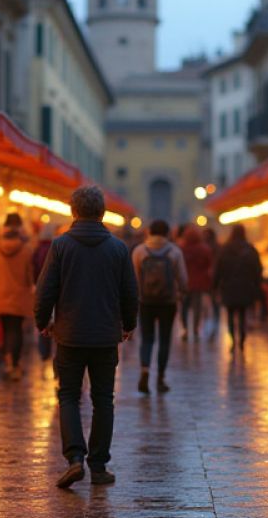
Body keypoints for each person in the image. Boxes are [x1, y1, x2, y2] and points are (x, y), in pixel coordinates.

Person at [35, 186, 139, 489]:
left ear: (73, 212)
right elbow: (130, 293)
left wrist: (44, 321)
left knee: (68, 395)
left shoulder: (60, 246)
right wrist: (128, 324)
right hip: (106, 336)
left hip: (69, 335)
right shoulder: (119, 249)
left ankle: (75, 459)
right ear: (102, 213)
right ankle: (99, 465)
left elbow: (45, 291)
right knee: (103, 399)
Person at [131, 219, 188, 393]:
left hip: (145, 301)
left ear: (149, 232)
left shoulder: (140, 251)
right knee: (165, 339)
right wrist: (181, 293)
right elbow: (183, 279)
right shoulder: (174, 251)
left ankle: (145, 371)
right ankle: (161, 378)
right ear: (167, 233)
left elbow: (133, 278)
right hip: (168, 302)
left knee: (147, 338)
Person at [0, 213, 35, 382]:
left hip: (1, 296)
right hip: (20, 297)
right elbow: (31, 276)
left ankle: (8, 361)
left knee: (6, 329)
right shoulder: (27, 249)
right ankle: (14, 365)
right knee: (16, 330)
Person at [213, 224, 263, 354]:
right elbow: (257, 269)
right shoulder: (250, 249)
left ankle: (233, 339)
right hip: (245, 286)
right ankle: (242, 339)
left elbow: (218, 269)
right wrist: (257, 286)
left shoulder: (225, 249)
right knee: (242, 314)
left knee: (230, 314)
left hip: (228, 286)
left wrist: (215, 286)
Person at [31, 222, 58, 375]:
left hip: (42, 290)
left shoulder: (37, 250)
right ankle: (56, 361)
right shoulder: (58, 248)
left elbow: (34, 269)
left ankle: (44, 352)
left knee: (46, 322)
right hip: (58, 295)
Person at [179, 226, 214, 341]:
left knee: (184, 307)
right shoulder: (204, 249)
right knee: (197, 307)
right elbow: (209, 264)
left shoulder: (182, 248)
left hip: (184, 282)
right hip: (199, 283)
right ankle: (195, 329)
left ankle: (185, 329)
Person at [201, 226, 222, 340]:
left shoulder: (203, 248)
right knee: (215, 305)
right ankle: (214, 326)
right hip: (215, 281)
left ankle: (208, 327)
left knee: (206, 305)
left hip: (206, 281)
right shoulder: (218, 247)